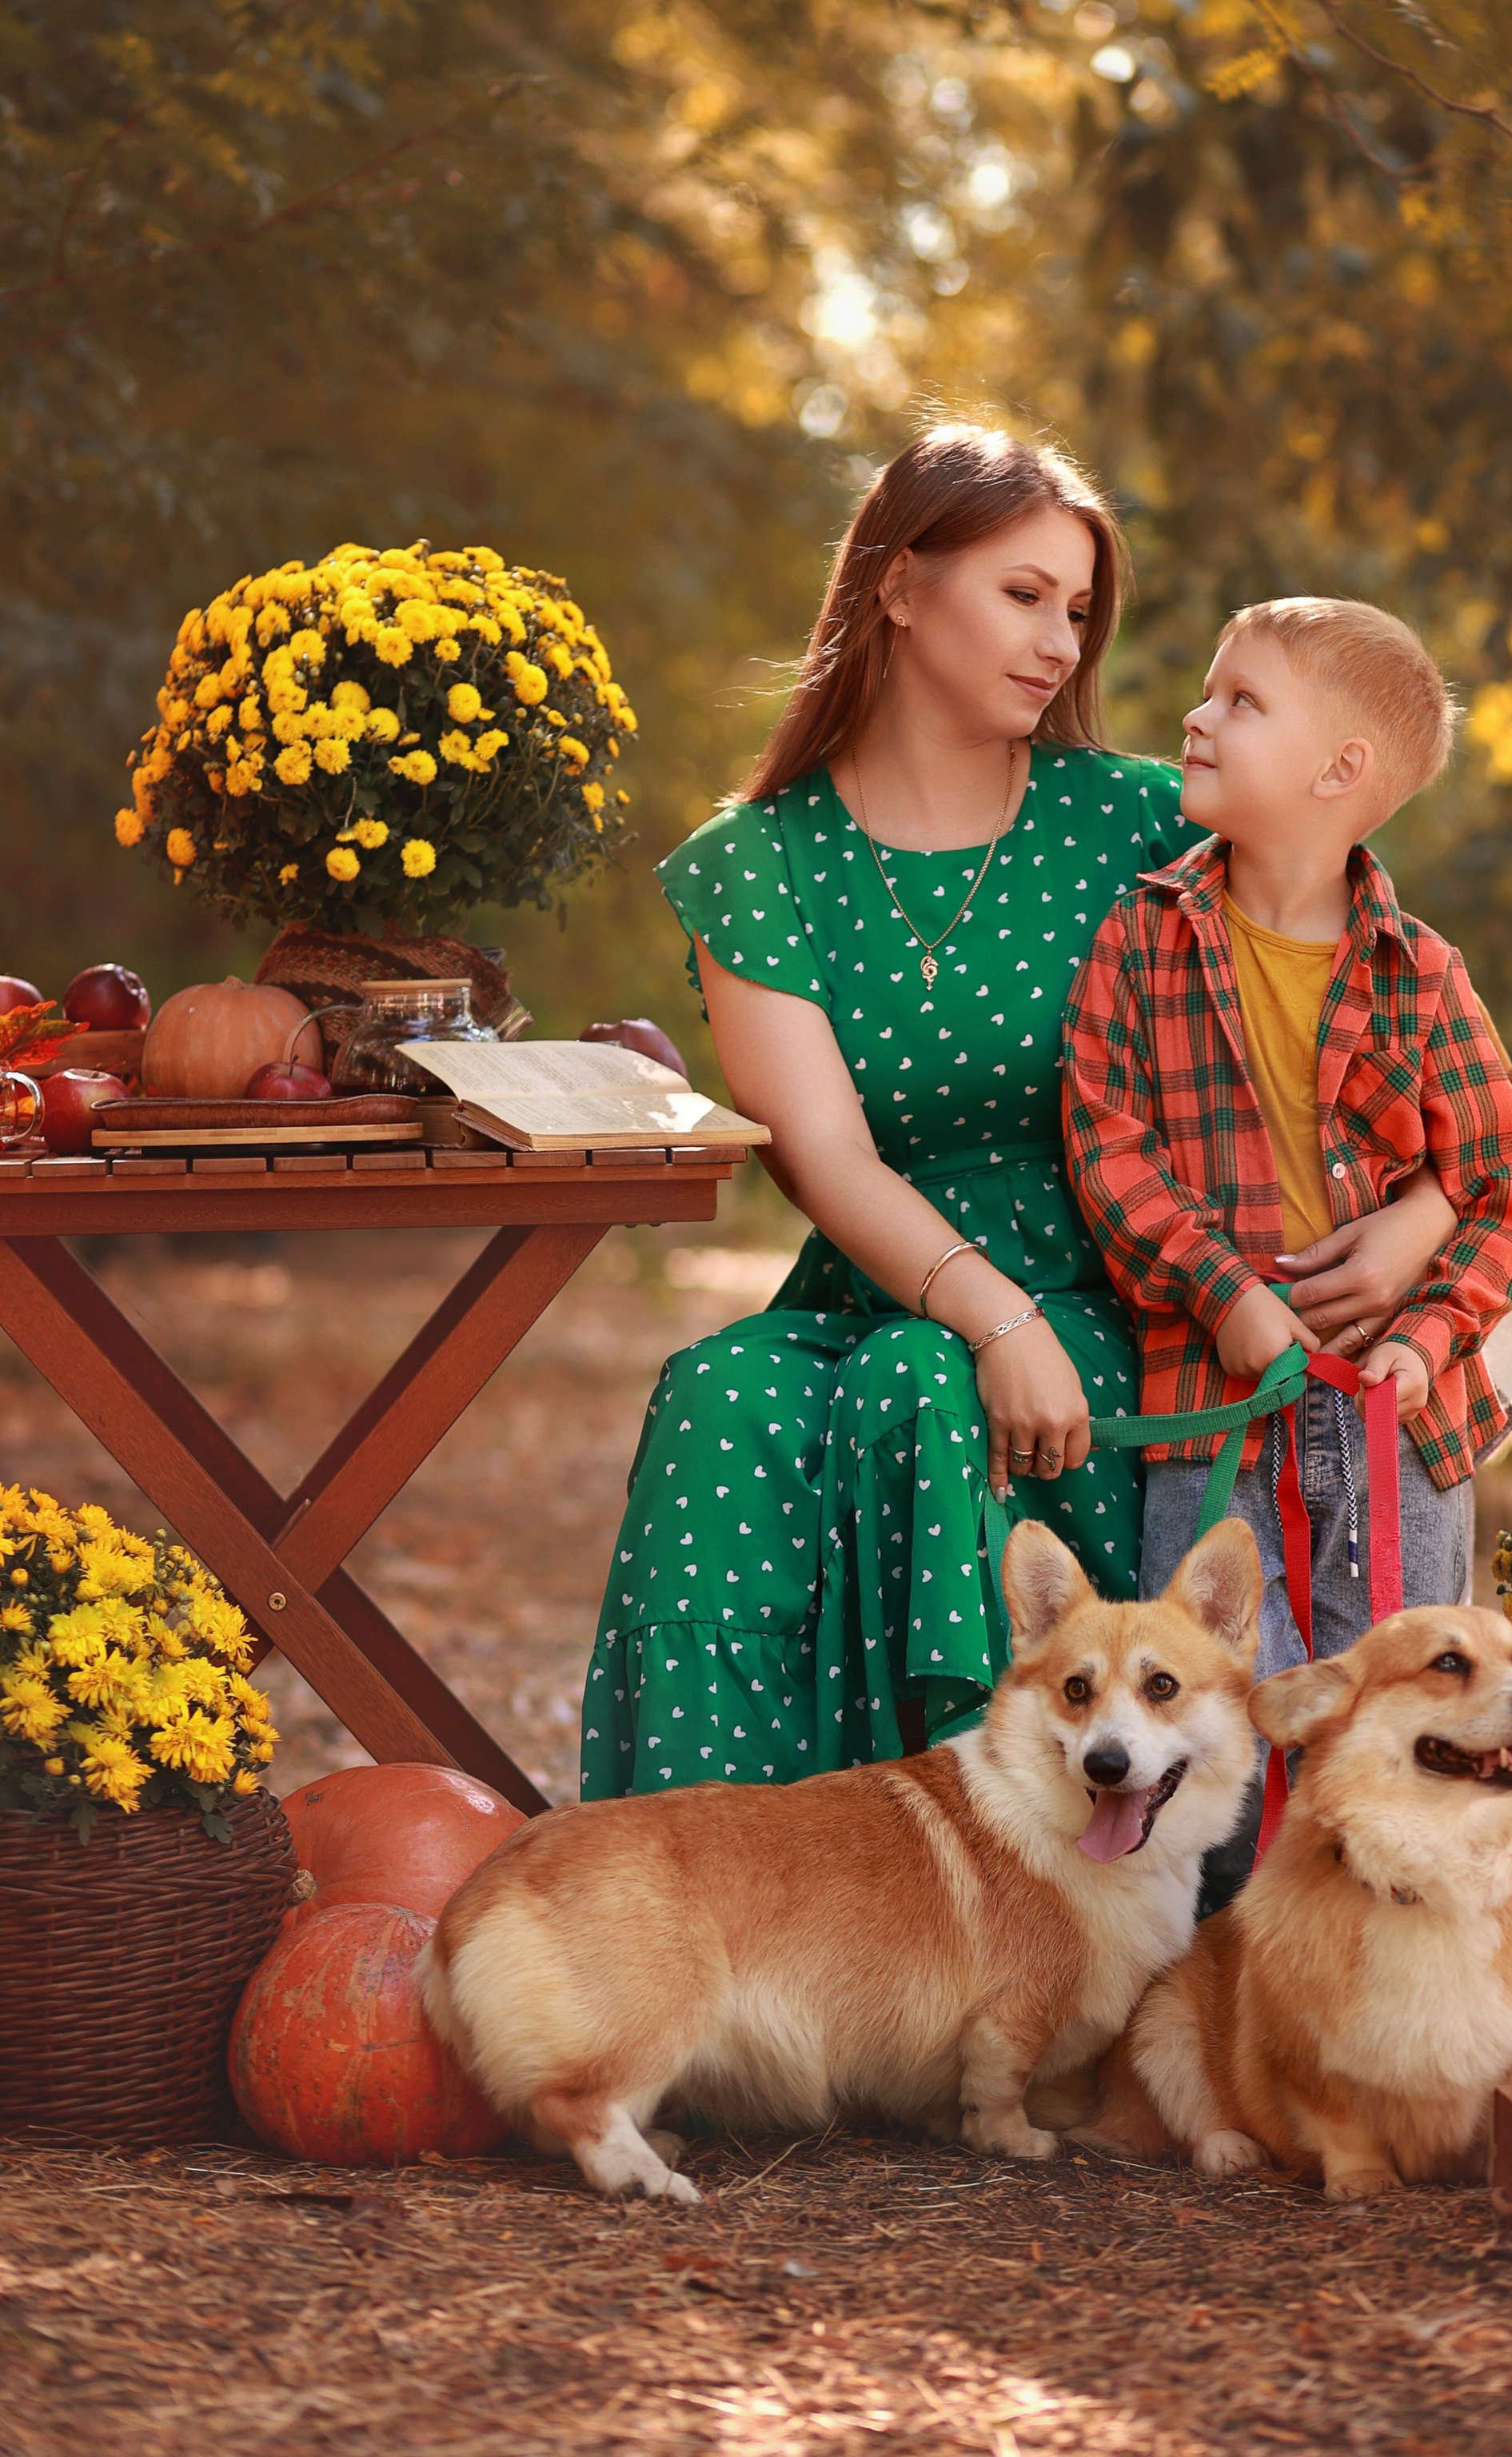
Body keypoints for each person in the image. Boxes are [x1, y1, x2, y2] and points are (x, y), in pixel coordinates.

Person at [580, 433, 1463, 1799]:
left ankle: (1003, 1907)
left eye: (1077, 612)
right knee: (728, 1393)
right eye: (1024, 595)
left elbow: (1378, 1013)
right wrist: (993, 1317)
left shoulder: (1142, 823)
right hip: (887, 1284)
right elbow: (824, 1155)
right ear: (898, 584)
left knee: (922, 1393)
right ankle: (710, 1889)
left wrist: (1421, 1212)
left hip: (1137, 1293)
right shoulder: (758, 869)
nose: (1060, 642)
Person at [1062, 594, 1512, 1878]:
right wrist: (1226, 1295)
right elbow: (1107, 1149)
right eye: (1212, 692)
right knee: (1208, 1722)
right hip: (1216, 1402)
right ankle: (1227, 1999)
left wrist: (1429, 1337)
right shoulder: (1143, 936)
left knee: (1399, 1728)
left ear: (1341, 773)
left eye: (1241, 701)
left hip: (1397, 1421)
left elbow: (1503, 1179)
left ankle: (1386, 1996)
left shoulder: (1419, 973)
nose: (1199, 715)